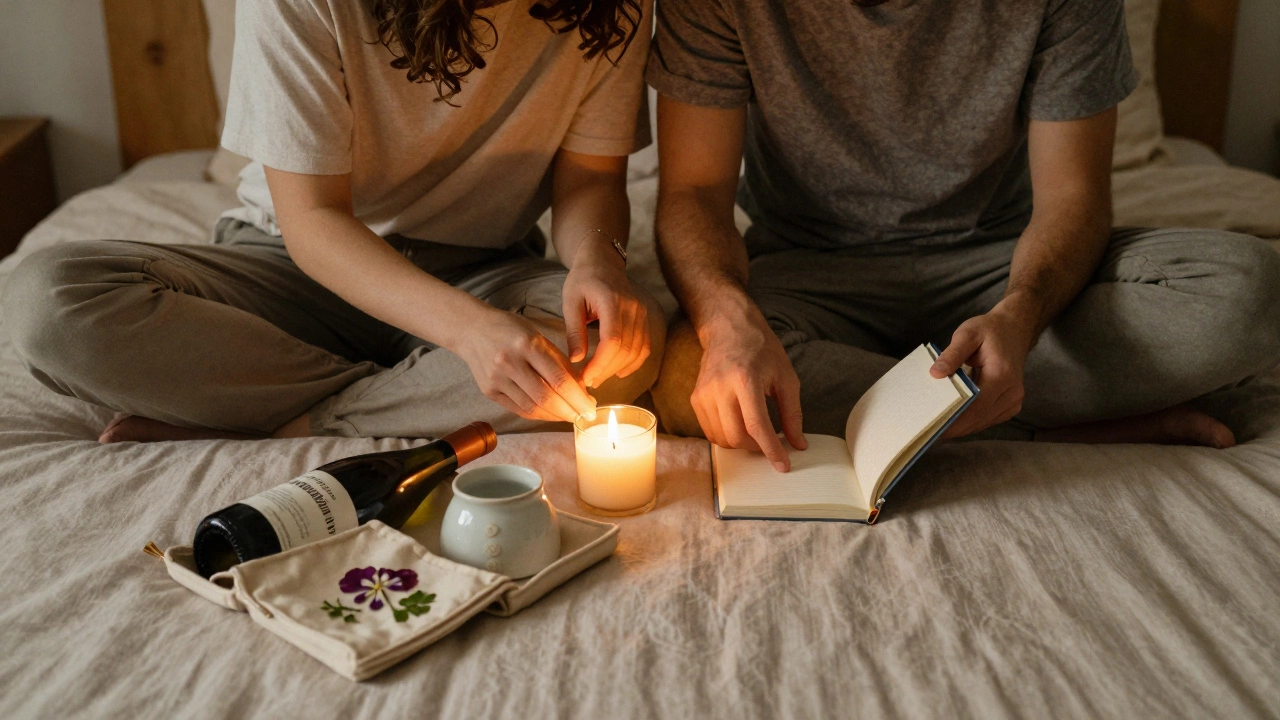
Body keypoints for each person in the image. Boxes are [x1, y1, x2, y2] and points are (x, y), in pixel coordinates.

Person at [646, 0, 1280, 472]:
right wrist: (727, 319)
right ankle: (1048, 428)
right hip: (809, 269)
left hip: (1003, 265)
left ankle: (934, 402)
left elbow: (1073, 200)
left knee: (1250, 293)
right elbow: (693, 193)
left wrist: (1020, 316)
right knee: (683, 376)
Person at [5, 0, 665, 442]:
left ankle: (280, 418)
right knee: (47, 304)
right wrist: (469, 335)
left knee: (625, 348)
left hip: (483, 267)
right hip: (293, 267)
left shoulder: (609, 8)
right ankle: (402, 400)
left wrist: (598, 262)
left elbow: (590, 180)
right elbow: (315, 222)